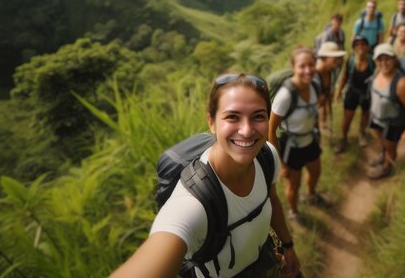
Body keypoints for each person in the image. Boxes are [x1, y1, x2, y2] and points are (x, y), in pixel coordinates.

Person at [109, 74, 300, 278]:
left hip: (265, 261)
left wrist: (288, 245)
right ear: (212, 122)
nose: (246, 130)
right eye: (232, 117)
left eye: (258, 116)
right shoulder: (193, 202)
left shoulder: (267, 155)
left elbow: (271, 198)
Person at [268, 47, 327, 224]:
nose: (308, 70)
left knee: (316, 172)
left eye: (311, 65)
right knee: (293, 184)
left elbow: (313, 112)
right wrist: (280, 164)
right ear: (293, 67)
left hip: (310, 140)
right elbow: (271, 130)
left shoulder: (315, 86)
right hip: (291, 148)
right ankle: (294, 212)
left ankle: (310, 195)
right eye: (302, 66)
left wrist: (318, 133)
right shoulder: (285, 95)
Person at [367, 43, 405, 180]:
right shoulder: (378, 73)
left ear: (394, 59)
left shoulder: (401, 83)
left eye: (387, 59)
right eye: (380, 59)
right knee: (382, 142)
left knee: (390, 147)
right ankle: (383, 156)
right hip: (377, 118)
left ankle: (387, 167)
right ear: (375, 61)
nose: (383, 63)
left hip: (393, 123)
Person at [334, 35, 375, 154]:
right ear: (354, 47)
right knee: (347, 118)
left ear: (367, 47)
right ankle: (343, 139)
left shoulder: (372, 61)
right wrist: (338, 93)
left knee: (365, 115)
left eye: (363, 44)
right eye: (357, 45)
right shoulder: (350, 60)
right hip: (352, 92)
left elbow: (377, 78)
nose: (360, 47)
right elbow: (344, 77)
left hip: (366, 93)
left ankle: (362, 133)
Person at [315, 41, 346, 136]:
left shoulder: (329, 71)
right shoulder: (314, 75)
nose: (338, 60)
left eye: (338, 58)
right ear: (324, 58)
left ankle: (322, 126)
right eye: (335, 58)